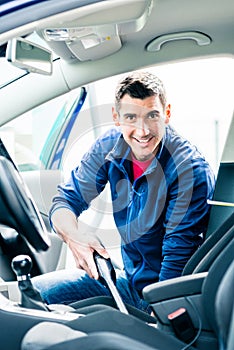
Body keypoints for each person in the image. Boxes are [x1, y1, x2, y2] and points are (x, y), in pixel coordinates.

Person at [32, 71, 215, 314]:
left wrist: (154, 323)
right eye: (131, 117)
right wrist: (73, 236)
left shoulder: (188, 171)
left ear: (167, 114)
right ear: (116, 118)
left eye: (152, 116)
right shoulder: (109, 146)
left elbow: (176, 260)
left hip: (168, 297)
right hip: (128, 284)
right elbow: (66, 200)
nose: (142, 131)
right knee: (32, 294)